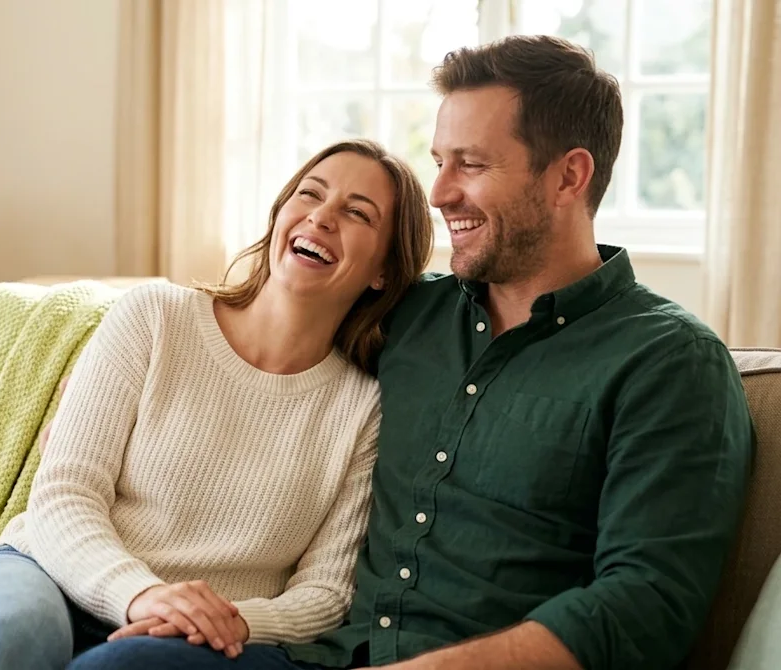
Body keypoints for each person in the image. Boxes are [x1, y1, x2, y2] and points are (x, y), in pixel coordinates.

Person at [61, 35, 754, 670]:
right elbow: (273, 319)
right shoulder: (408, 314)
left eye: (472, 165)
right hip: (317, 658)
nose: (442, 192)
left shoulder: (669, 362)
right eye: (440, 162)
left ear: (570, 177)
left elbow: (646, 604)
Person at [0, 138, 437, 670]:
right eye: (310, 194)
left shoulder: (365, 410)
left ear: (383, 271)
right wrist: (141, 593)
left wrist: (233, 620)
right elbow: (65, 494)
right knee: (9, 642)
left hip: (196, 633)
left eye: (357, 213)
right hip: (45, 573)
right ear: (282, 213)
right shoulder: (155, 317)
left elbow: (327, 592)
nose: (323, 217)